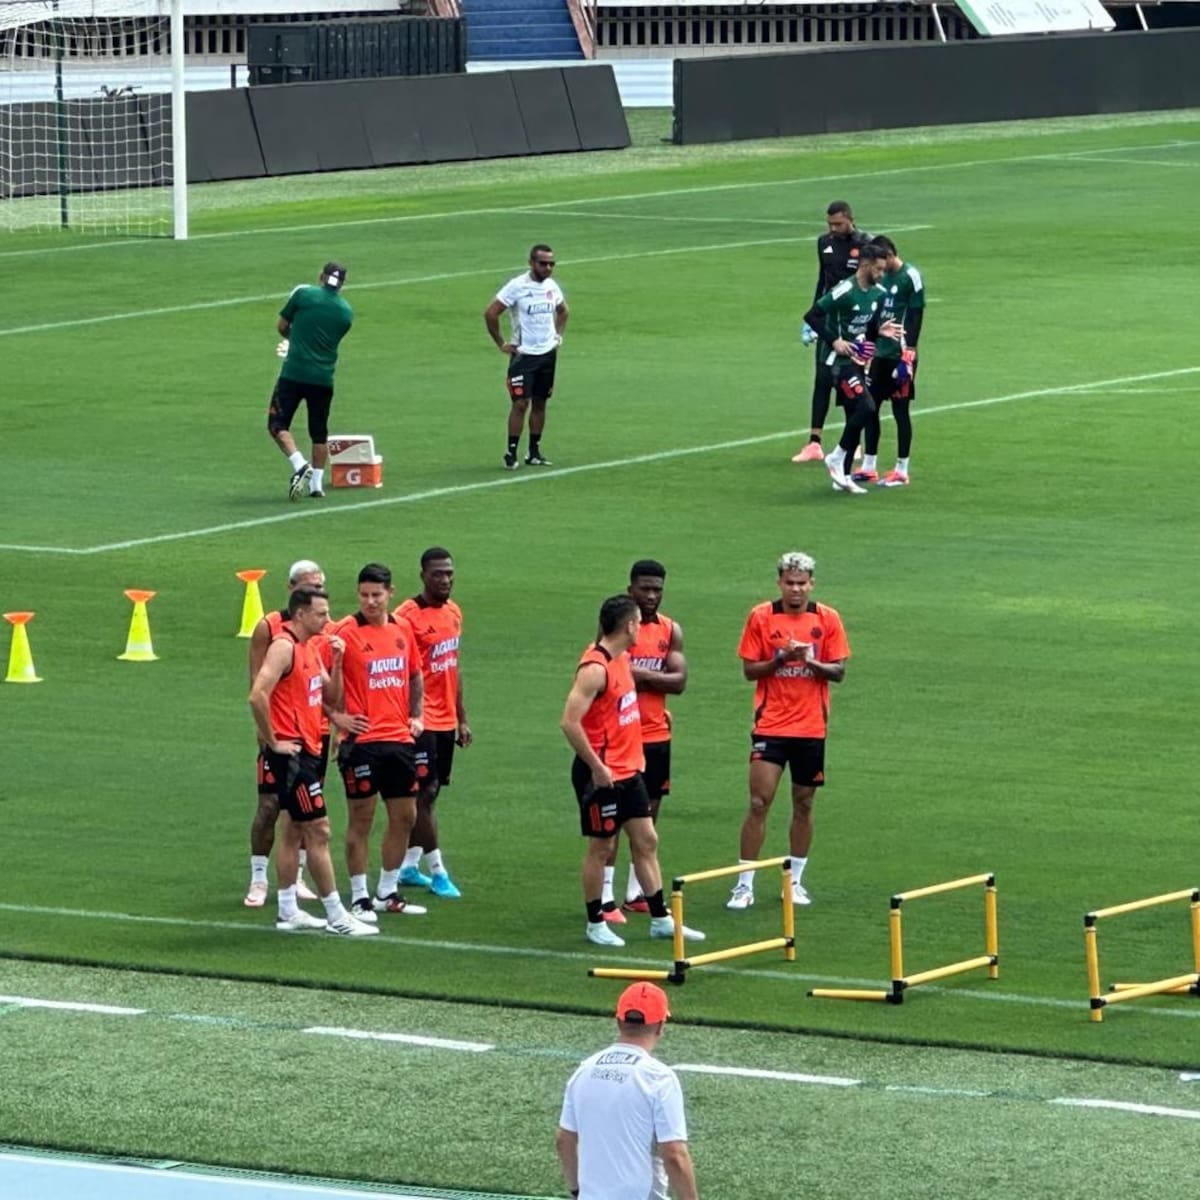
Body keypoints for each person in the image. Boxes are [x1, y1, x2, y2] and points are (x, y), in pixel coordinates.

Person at [560, 594, 703, 948]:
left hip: (629, 771)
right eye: (638, 621)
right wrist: (597, 767)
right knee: (601, 847)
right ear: (628, 625)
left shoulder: (623, 659)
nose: (643, 626)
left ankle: (660, 919)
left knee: (647, 840)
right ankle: (595, 922)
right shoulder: (595, 668)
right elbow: (569, 723)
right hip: (603, 774)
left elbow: (620, 710)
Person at [247, 587, 376, 936]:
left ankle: (289, 910)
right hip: (293, 758)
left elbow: (329, 696)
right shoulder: (284, 647)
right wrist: (273, 740)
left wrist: (334, 661)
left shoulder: (309, 648)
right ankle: (337, 915)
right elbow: (257, 694)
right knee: (319, 831)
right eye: (320, 613)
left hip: (306, 752)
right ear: (301, 614)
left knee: (292, 829)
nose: (327, 619)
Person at [728, 552, 850, 911]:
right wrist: (781, 659)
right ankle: (743, 884)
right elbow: (750, 671)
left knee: (804, 802)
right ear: (779, 582)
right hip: (772, 725)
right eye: (789, 582)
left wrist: (808, 660)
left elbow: (839, 671)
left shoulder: (827, 619)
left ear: (811, 583)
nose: (795, 589)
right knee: (758, 802)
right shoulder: (761, 617)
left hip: (811, 726)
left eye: (802, 583)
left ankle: (794, 880)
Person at [329, 563, 428, 921]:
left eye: (377, 595)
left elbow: (415, 674)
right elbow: (317, 682)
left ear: (390, 593)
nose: (370, 601)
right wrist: (335, 717)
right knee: (362, 819)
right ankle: (359, 897)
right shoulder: (344, 632)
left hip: (399, 739)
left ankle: (387, 891)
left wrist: (417, 715)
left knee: (406, 816)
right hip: (362, 742)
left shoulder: (403, 629)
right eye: (364, 595)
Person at [556, 982, 699, 1200]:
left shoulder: (585, 1070)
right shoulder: (658, 1077)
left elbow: (564, 1139)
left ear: (619, 1021)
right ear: (661, 1025)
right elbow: (674, 1155)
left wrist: (577, 1190)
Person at [603, 560, 687, 922]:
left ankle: (636, 893)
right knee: (613, 822)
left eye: (657, 590)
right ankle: (605, 898)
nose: (651, 596)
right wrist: (656, 676)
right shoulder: (618, 629)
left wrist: (636, 674)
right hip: (621, 739)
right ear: (630, 590)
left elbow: (680, 681)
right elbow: (606, 671)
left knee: (649, 816)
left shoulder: (670, 630)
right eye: (645, 589)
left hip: (656, 735)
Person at [244, 558, 330, 907]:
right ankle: (259, 877)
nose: (316, 594)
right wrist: (266, 735)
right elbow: (258, 684)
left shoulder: (321, 629)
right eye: (309, 587)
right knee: (269, 807)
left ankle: (294, 881)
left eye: (320, 587)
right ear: (292, 590)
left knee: (304, 814)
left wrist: (335, 724)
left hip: (315, 734)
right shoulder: (271, 629)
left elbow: (322, 685)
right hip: (281, 736)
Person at [393, 547, 472, 899]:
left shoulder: (454, 613)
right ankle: (438, 871)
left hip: (446, 721)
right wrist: (408, 717)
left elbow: (452, 667)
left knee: (433, 791)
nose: (445, 580)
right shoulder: (406, 617)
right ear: (423, 575)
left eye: (450, 573)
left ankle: (408, 866)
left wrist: (463, 718)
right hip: (420, 721)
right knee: (422, 795)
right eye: (438, 574)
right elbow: (400, 670)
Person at [801, 243, 903, 495]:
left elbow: (865, 330)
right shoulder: (845, 290)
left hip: (855, 362)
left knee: (854, 413)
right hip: (837, 364)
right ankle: (836, 458)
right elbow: (812, 316)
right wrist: (834, 341)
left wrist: (878, 332)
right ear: (865, 265)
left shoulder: (877, 294)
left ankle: (842, 477)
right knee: (866, 407)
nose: (881, 274)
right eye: (878, 269)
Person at [792, 201, 872, 464]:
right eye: (830, 224)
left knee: (852, 380)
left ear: (851, 219)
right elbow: (823, 279)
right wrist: (814, 313)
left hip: (854, 321)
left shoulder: (866, 244)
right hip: (829, 319)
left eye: (838, 223)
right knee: (822, 378)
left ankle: (854, 442)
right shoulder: (823, 243)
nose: (833, 229)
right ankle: (814, 442)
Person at [268, 261, 353, 502]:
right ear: (342, 285)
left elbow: (282, 326)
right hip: (323, 378)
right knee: (319, 431)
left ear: (321, 276)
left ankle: (299, 464)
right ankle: (316, 484)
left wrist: (297, 336)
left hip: (294, 373)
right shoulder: (345, 313)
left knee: (277, 423)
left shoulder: (304, 294)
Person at [483, 243, 569, 471]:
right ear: (531, 263)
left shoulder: (552, 286)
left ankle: (534, 452)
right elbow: (491, 313)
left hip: (547, 355)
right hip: (524, 356)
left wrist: (557, 337)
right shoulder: (517, 286)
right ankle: (511, 452)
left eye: (551, 264)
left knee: (540, 403)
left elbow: (563, 311)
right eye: (543, 263)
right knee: (520, 403)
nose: (548, 268)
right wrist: (502, 343)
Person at [852, 234, 926, 488]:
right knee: (870, 407)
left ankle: (901, 469)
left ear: (891, 254)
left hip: (900, 355)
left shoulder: (910, 276)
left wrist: (910, 353)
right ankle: (869, 466)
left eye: (883, 262)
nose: (880, 269)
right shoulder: (877, 277)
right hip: (878, 355)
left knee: (900, 411)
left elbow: (916, 314)